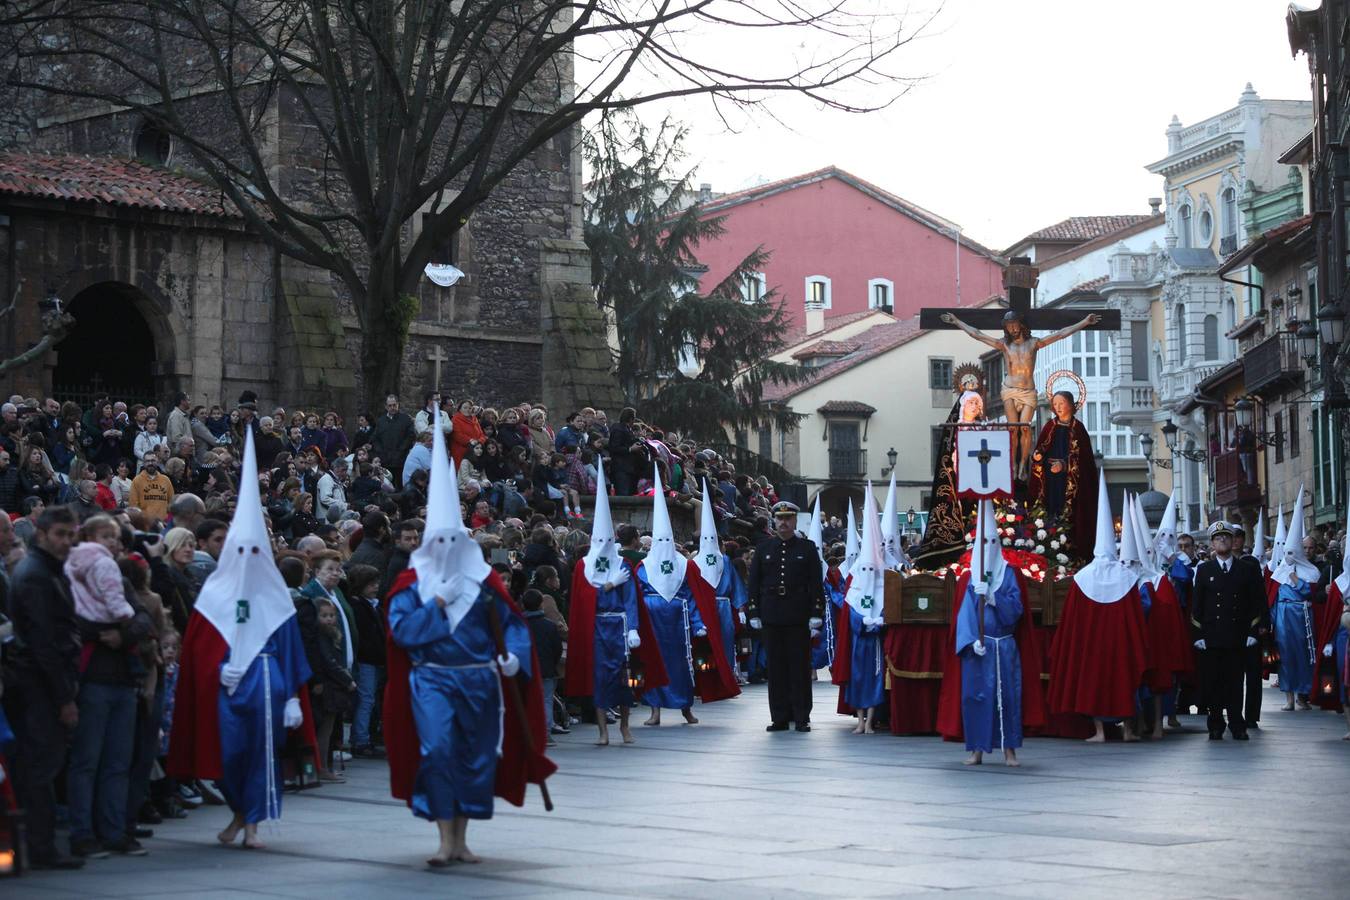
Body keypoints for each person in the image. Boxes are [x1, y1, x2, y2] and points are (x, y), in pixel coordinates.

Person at [382, 409, 554, 867]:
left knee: (476, 757)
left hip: (480, 682)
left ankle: (462, 837)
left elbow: (513, 626)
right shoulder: (411, 588)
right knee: (439, 751)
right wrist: (436, 606)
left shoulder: (484, 584)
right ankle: (443, 837)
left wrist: (514, 658)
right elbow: (401, 632)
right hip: (434, 681)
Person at [167, 430, 313, 849]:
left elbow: (290, 647)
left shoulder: (275, 597)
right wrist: (217, 670)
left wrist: (291, 697)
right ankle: (237, 812)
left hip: (267, 683)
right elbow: (199, 645)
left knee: (260, 757)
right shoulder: (214, 594)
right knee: (226, 757)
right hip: (227, 685)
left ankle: (250, 824)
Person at [4, 505, 84, 868]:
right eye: (60, 535)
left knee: (43, 765)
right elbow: (42, 643)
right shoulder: (36, 574)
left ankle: (41, 844)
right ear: (42, 535)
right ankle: (40, 847)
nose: (67, 542)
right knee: (41, 768)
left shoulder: (45, 570)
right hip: (38, 686)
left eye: (71, 535)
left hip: (42, 682)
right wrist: (63, 697)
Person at [937, 499, 1045, 766]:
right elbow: (964, 615)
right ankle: (977, 749)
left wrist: (995, 599)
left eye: (991, 544)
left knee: (1008, 697)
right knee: (976, 698)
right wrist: (972, 641)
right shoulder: (969, 578)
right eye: (982, 544)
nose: (987, 549)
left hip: (1004, 646)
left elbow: (1017, 609)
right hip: (979, 650)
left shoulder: (1009, 575)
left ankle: (1010, 750)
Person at [565, 464, 667, 746]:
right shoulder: (583, 567)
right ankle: (602, 731)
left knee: (624, 679)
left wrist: (633, 627)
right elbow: (583, 602)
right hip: (596, 627)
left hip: (619, 627)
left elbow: (630, 599)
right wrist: (607, 586)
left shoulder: (622, 563)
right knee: (600, 679)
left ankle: (624, 727)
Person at [1047, 471, 1149, 742]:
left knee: (1092, 683)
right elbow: (1139, 612)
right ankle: (1127, 730)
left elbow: (1072, 621)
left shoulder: (1082, 578)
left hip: (1091, 646)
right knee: (1124, 683)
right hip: (1120, 644)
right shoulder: (1127, 576)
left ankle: (1100, 731)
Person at [940, 309, 1101, 479]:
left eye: (1015, 325)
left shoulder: (1034, 343)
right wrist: (957, 321)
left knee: (1024, 429)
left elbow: (1061, 334)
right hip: (1009, 389)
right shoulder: (1004, 345)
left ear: (1021, 325)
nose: (1012, 329)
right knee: (1012, 429)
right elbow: (977, 334)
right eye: (1009, 327)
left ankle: (1023, 465)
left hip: (1028, 391)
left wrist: (1085, 322)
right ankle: (1013, 464)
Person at [635, 466, 739, 726]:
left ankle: (685, 707)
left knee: (683, 664)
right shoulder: (643, 567)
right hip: (652, 622)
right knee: (653, 663)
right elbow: (635, 597)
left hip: (678, 624)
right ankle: (655, 710)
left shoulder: (685, 564)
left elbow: (693, 595)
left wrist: (698, 623)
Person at [746, 500, 825, 732]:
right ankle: (779, 716)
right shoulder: (763, 548)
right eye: (779, 518)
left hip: (798, 614)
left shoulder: (807, 548)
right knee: (776, 669)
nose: (783, 522)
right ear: (773, 520)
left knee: (799, 668)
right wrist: (754, 610)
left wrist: (816, 612)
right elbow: (754, 584)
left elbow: (815, 584)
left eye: (788, 518)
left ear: (794, 520)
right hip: (771, 614)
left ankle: (801, 716)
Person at [1191, 521, 1265, 740]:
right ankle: (1215, 723)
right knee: (1213, 682)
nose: (1222, 540)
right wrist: (1199, 635)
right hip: (1212, 637)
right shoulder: (1204, 570)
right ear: (1212, 543)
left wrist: (1253, 632)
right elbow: (1198, 605)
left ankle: (1237, 723)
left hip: (1237, 635)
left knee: (1235, 682)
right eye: (1217, 538)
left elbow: (1256, 602)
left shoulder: (1247, 570)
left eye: (1226, 537)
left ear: (1233, 542)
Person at [830, 487, 887, 734]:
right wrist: (865, 623)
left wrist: (879, 622)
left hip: (874, 647)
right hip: (858, 645)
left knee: (874, 679)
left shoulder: (882, 589)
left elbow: (885, 612)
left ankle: (871, 721)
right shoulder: (853, 592)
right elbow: (852, 615)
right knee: (857, 680)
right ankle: (860, 720)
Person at [1026, 390, 1099, 559]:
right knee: (1049, 512)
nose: (1058, 407)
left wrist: (1064, 465)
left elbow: (1085, 461)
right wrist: (1038, 457)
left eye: (1062, 403)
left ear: (1071, 405)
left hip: (1070, 485)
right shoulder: (1049, 427)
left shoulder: (1078, 429)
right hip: (1050, 482)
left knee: (1069, 516)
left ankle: (1071, 552)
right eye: (1055, 404)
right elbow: (1040, 451)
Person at [1270, 487, 1319, 711]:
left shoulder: (1310, 571)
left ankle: (1303, 695)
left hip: (1303, 618)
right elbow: (1273, 596)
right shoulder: (1279, 572)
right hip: (1283, 617)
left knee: (1304, 654)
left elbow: (1308, 592)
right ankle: (1289, 697)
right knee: (1286, 656)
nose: (1289, 557)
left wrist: (1295, 579)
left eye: (1293, 552)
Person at [693, 481, 748, 683]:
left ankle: (726, 675)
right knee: (705, 643)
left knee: (725, 640)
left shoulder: (725, 560)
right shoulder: (695, 562)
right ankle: (706, 678)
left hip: (723, 605)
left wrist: (740, 609)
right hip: (704, 606)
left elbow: (735, 585)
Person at [308, 596, 357, 782]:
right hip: (329, 687)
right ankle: (322, 768)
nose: (329, 619)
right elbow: (329, 662)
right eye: (324, 615)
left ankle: (322, 766)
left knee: (327, 729)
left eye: (331, 615)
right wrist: (347, 680)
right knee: (325, 730)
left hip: (330, 686)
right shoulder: (322, 636)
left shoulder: (328, 635)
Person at [345, 564, 387, 758]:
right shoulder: (360, 606)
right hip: (367, 659)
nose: (375, 587)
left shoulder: (372, 605)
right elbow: (366, 636)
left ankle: (363, 736)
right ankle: (360, 739)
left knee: (368, 699)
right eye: (371, 584)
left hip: (374, 658)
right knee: (366, 699)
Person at [372, 394, 416, 488]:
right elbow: (375, 438)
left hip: (401, 459)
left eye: (394, 405)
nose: (392, 408)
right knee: (387, 486)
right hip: (385, 459)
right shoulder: (381, 421)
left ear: (398, 405)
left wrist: (401, 450)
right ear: (386, 406)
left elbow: (410, 436)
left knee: (401, 485)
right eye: (390, 405)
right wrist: (380, 452)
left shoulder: (405, 419)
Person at [129, 452, 175, 525]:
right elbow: (133, 505)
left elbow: (172, 503)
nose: (150, 463)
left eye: (153, 460)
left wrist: (169, 520)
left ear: (157, 462)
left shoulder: (166, 480)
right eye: (147, 461)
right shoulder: (137, 480)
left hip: (164, 523)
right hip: (145, 524)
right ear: (144, 463)